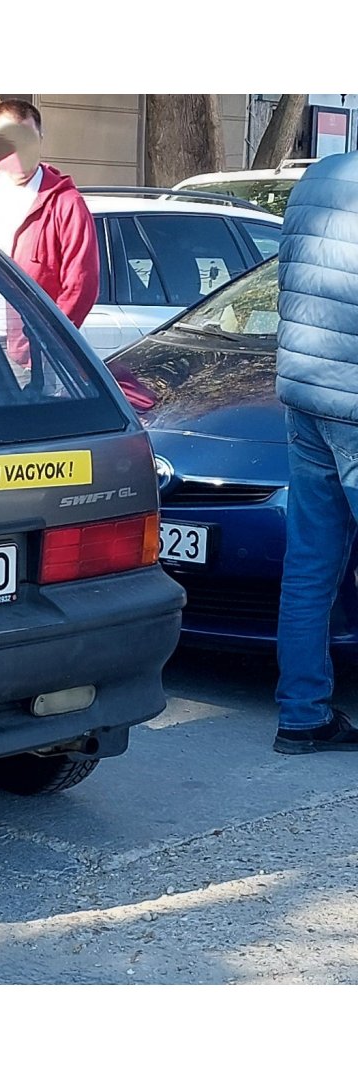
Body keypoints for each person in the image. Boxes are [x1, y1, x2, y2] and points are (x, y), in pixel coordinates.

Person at [271, 150, 358, 753]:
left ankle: (301, 715)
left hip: (305, 395)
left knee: (308, 567)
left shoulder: (317, 176)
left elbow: (284, 278)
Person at [0, 100, 100, 331]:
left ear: (40, 138)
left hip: (32, 352)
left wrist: (48, 340)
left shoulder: (66, 204)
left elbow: (81, 286)